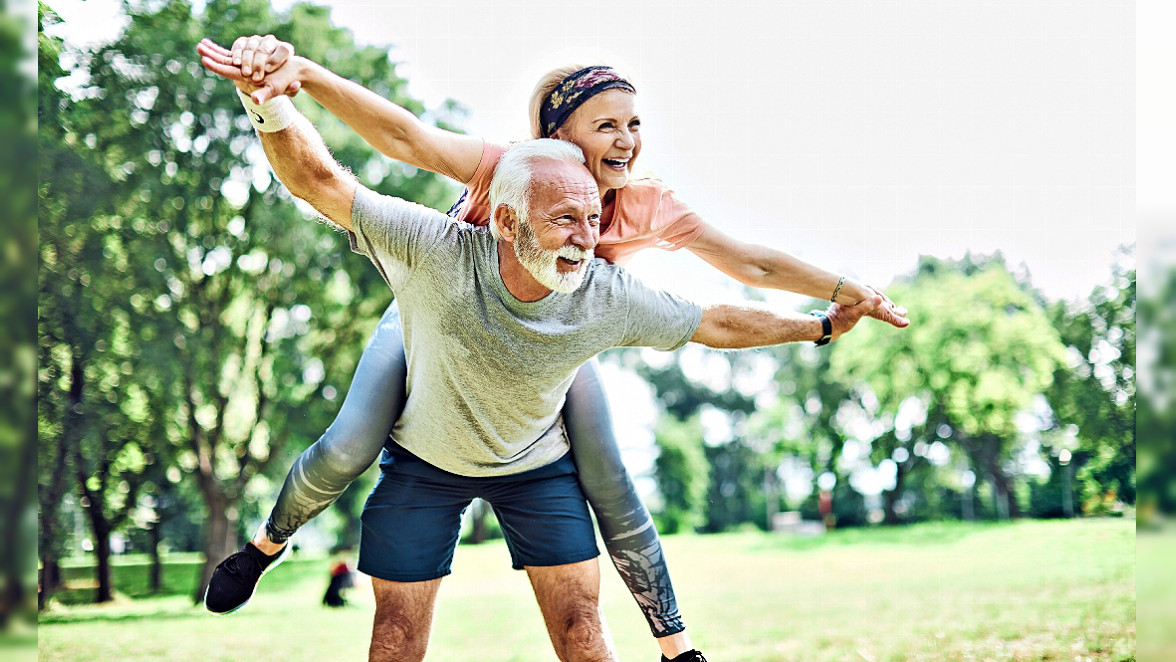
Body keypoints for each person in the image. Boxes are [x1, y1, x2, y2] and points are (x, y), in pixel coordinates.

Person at [197, 36, 909, 662]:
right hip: (442, 322)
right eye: (608, 125)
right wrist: (302, 79)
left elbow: (745, 271)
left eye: (635, 123)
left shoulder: (644, 205)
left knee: (610, 478)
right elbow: (405, 141)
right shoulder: (509, 167)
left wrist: (848, 295)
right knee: (350, 444)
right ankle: (266, 545)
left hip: (558, 337)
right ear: (558, 133)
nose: (627, 139)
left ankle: (677, 648)